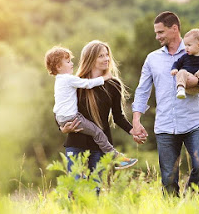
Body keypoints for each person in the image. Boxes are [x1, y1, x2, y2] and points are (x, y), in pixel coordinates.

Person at [131, 11, 199, 197]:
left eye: (160, 32)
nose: (157, 36)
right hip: (165, 125)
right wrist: (136, 120)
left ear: (174, 29)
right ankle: (173, 211)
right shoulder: (152, 59)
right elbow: (142, 90)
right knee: (168, 179)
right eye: (156, 33)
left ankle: (188, 203)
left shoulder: (198, 53)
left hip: (194, 122)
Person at [47, 43, 138, 172]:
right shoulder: (77, 83)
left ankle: (116, 157)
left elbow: (118, 116)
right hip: (76, 143)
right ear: (90, 58)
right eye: (101, 56)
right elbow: (61, 108)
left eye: (107, 55)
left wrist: (133, 130)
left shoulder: (113, 85)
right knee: (75, 188)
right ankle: (117, 157)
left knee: (95, 189)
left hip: (100, 147)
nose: (106, 59)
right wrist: (62, 128)